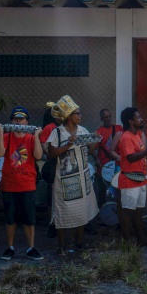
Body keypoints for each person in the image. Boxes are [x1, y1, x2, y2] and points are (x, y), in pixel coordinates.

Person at [46, 95, 100, 256]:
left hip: (82, 178)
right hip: (64, 180)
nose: (80, 116)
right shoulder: (58, 132)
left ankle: (79, 243)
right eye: (77, 113)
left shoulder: (82, 131)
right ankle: (61, 246)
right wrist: (69, 144)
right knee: (62, 211)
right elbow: (51, 153)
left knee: (81, 211)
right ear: (69, 116)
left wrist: (95, 141)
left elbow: (88, 151)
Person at [0, 106, 44, 261]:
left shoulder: (30, 138)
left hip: (27, 184)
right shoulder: (7, 136)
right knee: (10, 218)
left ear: (27, 121)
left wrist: (36, 136)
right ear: (11, 121)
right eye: (15, 119)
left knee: (29, 219)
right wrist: (1, 132)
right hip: (9, 184)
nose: (18, 121)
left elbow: (38, 156)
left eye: (21, 119)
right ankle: (10, 247)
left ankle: (31, 248)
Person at [116, 107, 147, 246]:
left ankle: (141, 240)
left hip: (140, 178)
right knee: (128, 212)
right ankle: (126, 243)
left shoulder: (137, 135)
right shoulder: (126, 137)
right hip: (130, 179)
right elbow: (130, 157)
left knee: (139, 212)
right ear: (131, 121)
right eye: (138, 117)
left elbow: (140, 155)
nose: (141, 119)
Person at [39, 107, 61, 239]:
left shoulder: (67, 127)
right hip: (53, 164)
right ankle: (52, 224)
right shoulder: (49, 128)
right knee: (51, 197)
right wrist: (56, 154)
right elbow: (44, 146)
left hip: (68, 166)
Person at [95, 108, 122, 207]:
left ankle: (118, 209)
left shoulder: (119, 128)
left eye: (109, 116)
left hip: (117, 162)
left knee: (118, 188)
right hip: (104, 164)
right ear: (101, 119)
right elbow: (93, 148)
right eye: (105, 117)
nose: (108, 119)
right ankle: (101, 209)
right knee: (102, 189)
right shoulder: (99, 132)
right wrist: (96, 159)